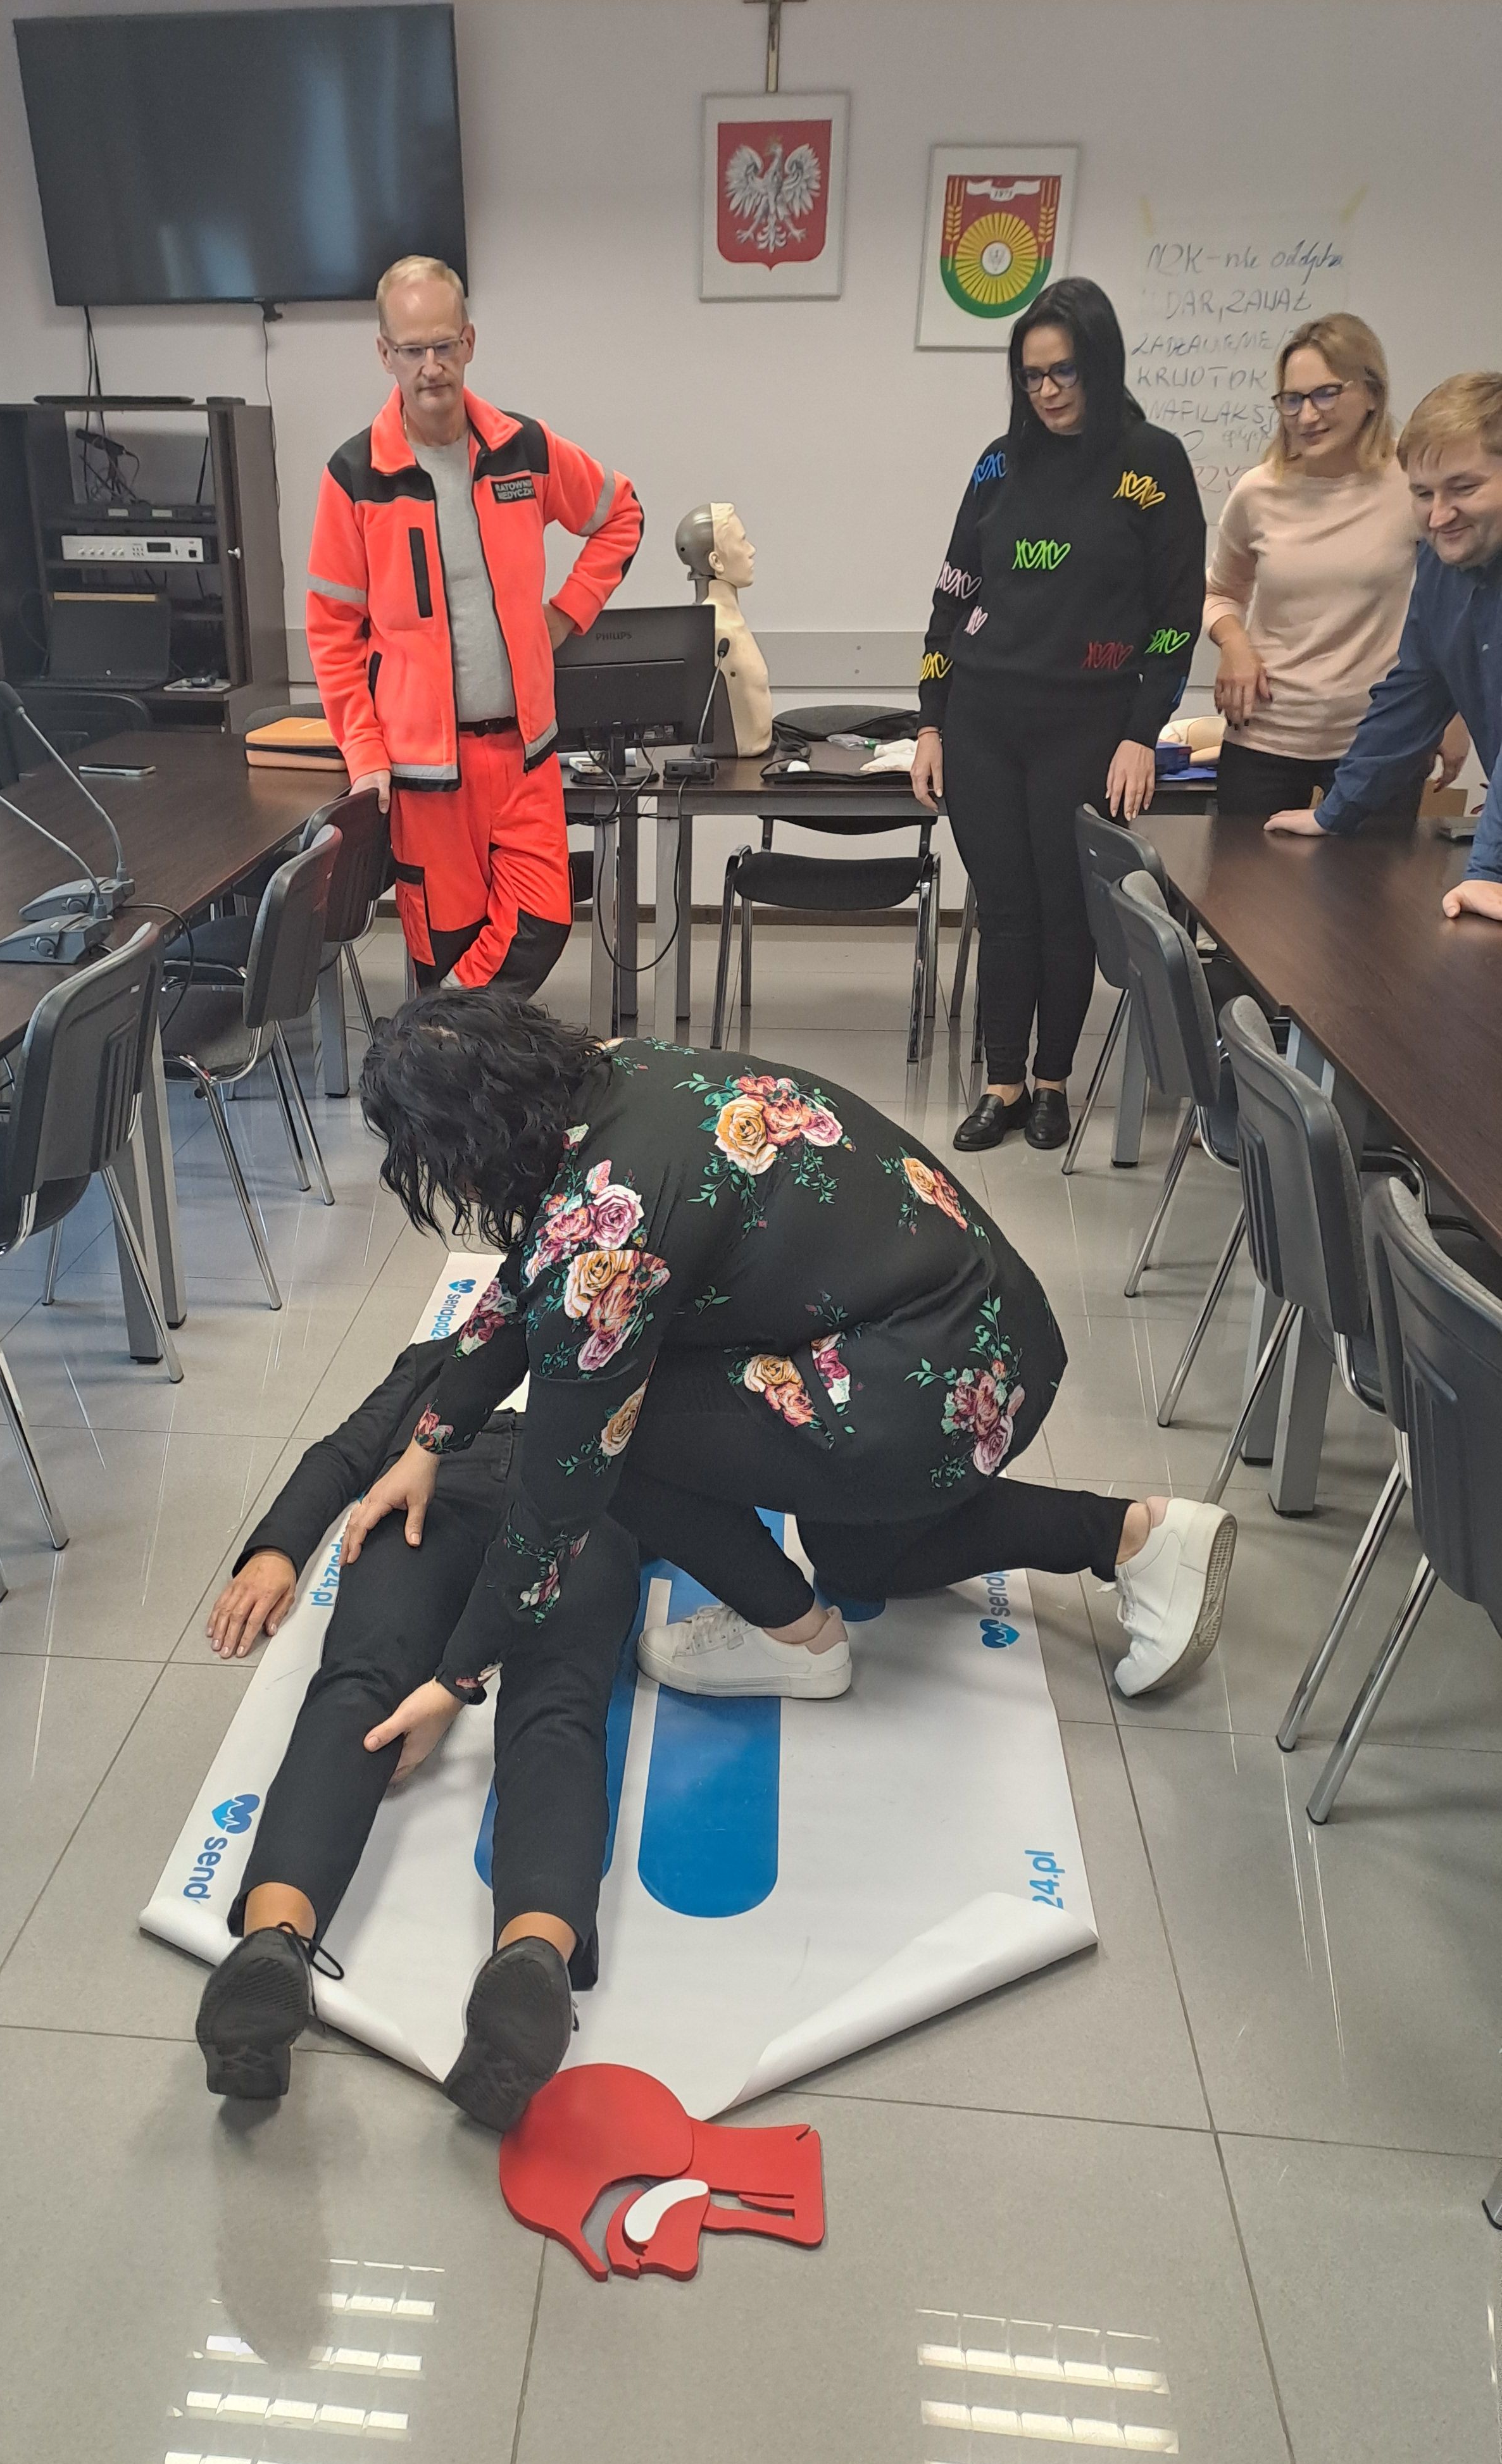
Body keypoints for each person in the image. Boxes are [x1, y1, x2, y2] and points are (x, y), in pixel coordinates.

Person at [347, 994, 1236, 1723]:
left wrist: (456, 1677)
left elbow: (559, 1484)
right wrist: (433, 1439)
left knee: (622, 1432)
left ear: (464, 1159)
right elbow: (533, 1276)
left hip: (937, 1388)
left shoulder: (606, 1241)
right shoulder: (620, 1071)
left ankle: (797, 1641)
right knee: (857, 1558)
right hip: (997, 1334)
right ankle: (1137, 1538)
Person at [196, 1331, 640, 2133]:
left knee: (365, 1692)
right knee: (551, 1715)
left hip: (544, 1504)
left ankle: (276, 1937)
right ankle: (533, 1955)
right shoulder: (453, 1354)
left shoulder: (594, 1347)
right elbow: (347, 1453)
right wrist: (276, 1549)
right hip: (477, 1500)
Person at [912, 277, 1206, 1155]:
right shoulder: (999, 466)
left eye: (1063, 372)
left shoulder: (1151, 464)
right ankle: (1001, 1084)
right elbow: (952, 596)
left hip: (1088, 724)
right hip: (983, 721)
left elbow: (1177, 615)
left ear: (1101, 364)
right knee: (1004, 907)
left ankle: (1051, 1084)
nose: (1046, 391)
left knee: (1063, 910)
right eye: (1031, 375)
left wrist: (1140, 732)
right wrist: (929, 721)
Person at [304, 255, 643, 993]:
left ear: (469, 341)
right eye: (412, 349)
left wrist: (565, 613)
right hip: (426, 775)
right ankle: (452, 1049)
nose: (431, 367)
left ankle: (441, 1033)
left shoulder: (524, 449)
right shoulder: (355, 476)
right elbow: (333, 634)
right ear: (385, 354)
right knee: (446, 947)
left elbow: (622, 514)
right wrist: (364, 753)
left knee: (542, 922)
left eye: (443, 344)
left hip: (524, 756)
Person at [1263, 371, 1502, 928]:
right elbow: (1415, 691)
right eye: (1422, 494)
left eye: (1463, 488)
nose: (1439, 516)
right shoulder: (1441, 564)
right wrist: (1336, 811)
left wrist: (1491, 868)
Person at [1206, 313, 1464, 820]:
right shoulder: (1258, 492)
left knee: (1369, 876)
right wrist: (1234, 645)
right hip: (1265, 734)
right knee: (1244, 873)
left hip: (1379, 740)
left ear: (1371, 393)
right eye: (1292, 400)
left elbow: (1454, 609)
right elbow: (1221, 593)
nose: (1307, 416)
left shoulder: (1411, 486)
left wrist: (1454, 713)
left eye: (1325, 394)